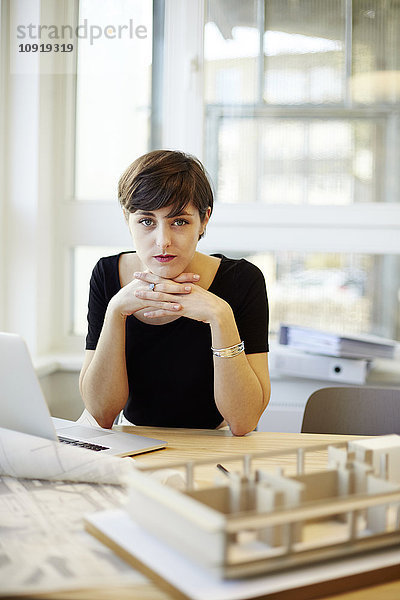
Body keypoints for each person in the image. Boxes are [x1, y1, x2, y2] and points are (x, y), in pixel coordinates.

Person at [79, 150, 270, 436]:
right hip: (132, 441)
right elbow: (101, 414)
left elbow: (243, 422)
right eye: (146, 221)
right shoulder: (107, 275)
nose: (162, 241)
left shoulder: (243, 280)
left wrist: (221, 317)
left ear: (204, 220)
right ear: (127, 219)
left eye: (179, 221)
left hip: (216, 441)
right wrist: (116, 309)